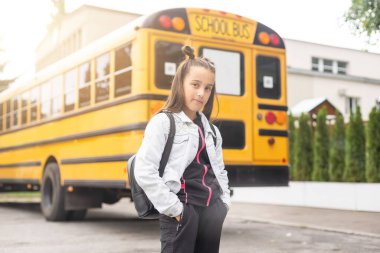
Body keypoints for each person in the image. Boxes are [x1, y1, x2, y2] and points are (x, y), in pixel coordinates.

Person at [134, 45, 231, 253]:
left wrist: (223, 204)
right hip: (182, 211)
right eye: (195, 84)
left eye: (208, 88)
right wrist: (175, 209)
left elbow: (219, 170)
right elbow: (144, 170)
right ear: (180, 84)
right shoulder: (163, 123)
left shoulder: (212, 130)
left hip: (212, 211)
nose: (201, 93)